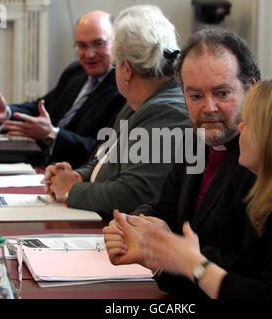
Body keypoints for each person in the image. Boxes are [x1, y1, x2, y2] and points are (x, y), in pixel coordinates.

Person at [107, 77, 272, 298]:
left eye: (250, 122)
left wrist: (193, 265)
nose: (241, 127)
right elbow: (237, 277)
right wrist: (160, 259)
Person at [103, 28, 260, 297]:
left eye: (222, 93)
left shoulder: (263, 157)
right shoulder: (193, 141)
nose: (208, 108)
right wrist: (135, 226)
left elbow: (247, 265)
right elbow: (164, 206)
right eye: (195, 96)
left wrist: (164, 249)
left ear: (251, 90)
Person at [43, 5, 190, 217]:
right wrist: (74, 176)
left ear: (127, 70)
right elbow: (103, 161)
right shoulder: (137, 103)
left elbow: (133, 195)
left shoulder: (167, 112)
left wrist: (71, 190)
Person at [0, 10, 126, 168]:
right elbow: (41, 108)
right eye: (82, 46)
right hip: (39, 162)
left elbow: (103, 149)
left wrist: (51, 135)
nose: (89, 54)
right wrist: (8, 112)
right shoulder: (75, 71)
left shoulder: (123, 89)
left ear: (116, 43)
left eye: (98, 44)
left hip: (74, 172)